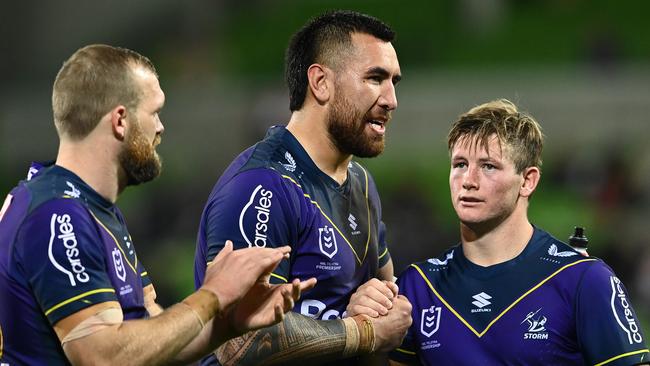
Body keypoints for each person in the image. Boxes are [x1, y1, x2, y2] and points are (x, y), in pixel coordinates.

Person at [0, 44, 315, 365]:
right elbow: (100, 357)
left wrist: (227, 322)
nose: (161, 128)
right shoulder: (57, 214)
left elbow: (150, 343)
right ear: (120, 120)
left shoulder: (90, 209)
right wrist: (212, 294)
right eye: (154, 112)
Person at [194, 10, 411, 365]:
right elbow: (239, 342)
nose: (391, 100)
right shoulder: (262, 187)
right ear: (320, 82)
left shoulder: (361, 183)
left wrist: (380, 303)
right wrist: (361, 331)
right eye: (375, 78)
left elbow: (391, 302)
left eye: (394, 82)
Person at [385, 99, 649, 365]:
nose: (468, 181)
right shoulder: (418, 285)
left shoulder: (583, 280)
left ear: (527, 181)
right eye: (460, 164)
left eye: (488, 166)